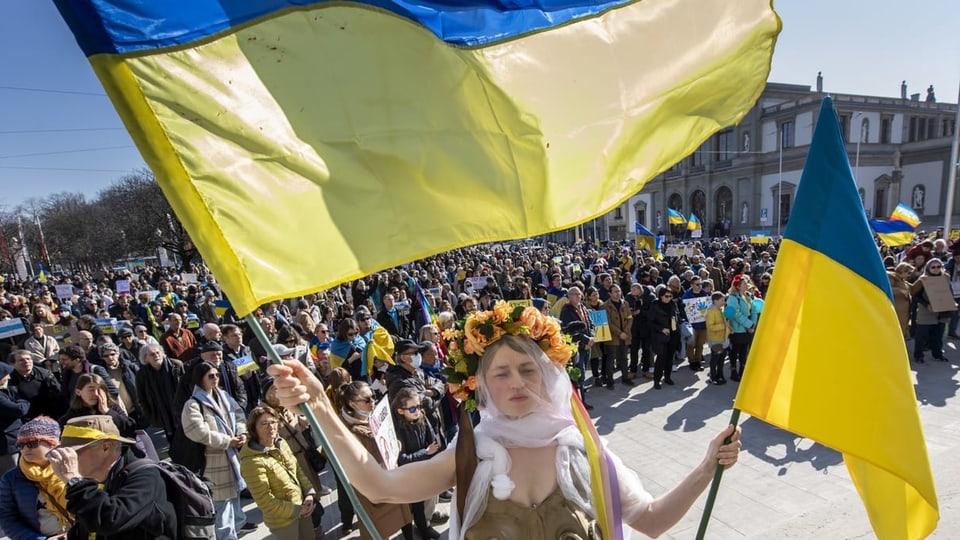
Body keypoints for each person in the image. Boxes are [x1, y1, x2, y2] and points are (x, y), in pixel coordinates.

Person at [267, 301, 741, 539]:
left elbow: (652, 521)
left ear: (549, 374)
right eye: (502, 372)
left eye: (528, 369)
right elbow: (379, 486)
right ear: (482, 386)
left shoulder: (584, 452)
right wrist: (322, 407)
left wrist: (706, 468)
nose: (517, 382)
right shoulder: (473, 454)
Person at [46, 415, 177, 539]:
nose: (69, 460)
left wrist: (74, 481)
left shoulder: (146, 476)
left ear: (106, 447)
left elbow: (109, 520)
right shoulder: (97, 478)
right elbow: (90, 523)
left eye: (74, 453)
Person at [181, 361, 253, 539]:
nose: (215, 379)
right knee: (221, 505)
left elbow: (238, 414)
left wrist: (241, 432)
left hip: (233, 458)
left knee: (234, 498)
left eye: (217, 375)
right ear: (200, 379)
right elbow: (198, 432)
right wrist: (227, 441)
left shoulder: (224, 396)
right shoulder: (193, 404)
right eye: (210, 376)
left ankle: (236, 529)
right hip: (212, 461)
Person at [333, 380, 413, 539]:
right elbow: (355, 466)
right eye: (367, 400)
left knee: (403, 514)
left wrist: (393, 446)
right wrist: (378, 465)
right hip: (373, 489)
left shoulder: (375, 417)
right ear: (352, 404)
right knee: (380, 526)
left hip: (391, 477)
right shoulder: (349, 433)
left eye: (374, 397)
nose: (373, 402)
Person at [239, 406, 317, 540]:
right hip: (284, 522)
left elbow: (297, 470)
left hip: (302, 509)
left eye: (273, 422)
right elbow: (265, 501)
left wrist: (309, 493)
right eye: (264, 424)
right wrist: (297, 510)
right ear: (253, 428)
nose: (271, 427)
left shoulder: (281, 443)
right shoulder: (251, 462)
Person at [0, 416, 73, 539]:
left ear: (52, 443)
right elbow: (7, 519)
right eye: (20, 445)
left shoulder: (71, 468)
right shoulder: (11, 478)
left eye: (32, 443)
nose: (25, 449)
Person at [392, 387, 442, 539]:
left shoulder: (421, 417)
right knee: (410, 507)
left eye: (419, 406)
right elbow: (402, 459)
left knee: (422, 505)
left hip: (424, 469)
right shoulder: (397, 430)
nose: (417, 411)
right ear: (401, 411)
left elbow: (433, 439)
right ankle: (413, 532)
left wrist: (433, 448)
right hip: (408, 475)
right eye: (412, 408)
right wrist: (425, 453)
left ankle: (423, 528)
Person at [58, 373, 136, 437]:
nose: (95, 394)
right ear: (78, 392)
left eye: (99, 389)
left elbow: (129, 428)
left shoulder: (111, 406)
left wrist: (107, 412)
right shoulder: (74, 413)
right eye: (91, 389)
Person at [723, 275, 758, 381]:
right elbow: (736, 314)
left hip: (748, 327)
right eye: (744, 284)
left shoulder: (748, 295)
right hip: (738, 329)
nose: (747, 285)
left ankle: (742, 371)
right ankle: (734, 371)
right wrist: (749, 325)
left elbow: (754, 310)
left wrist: (753, 324)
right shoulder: (732, 298)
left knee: (744, 351)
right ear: (738, 286)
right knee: (735, 351)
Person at [650, 287, 680, 390]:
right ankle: (657, 380)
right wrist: (661, 329)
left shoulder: (672, 304)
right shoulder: (655, 305)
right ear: (661, 296)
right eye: (666, 296)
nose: (668, 298)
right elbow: (650, 322)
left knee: (670, 357)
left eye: (670, 296)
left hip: (673, 334)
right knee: (661, 358)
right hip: (660, 335)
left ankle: (667, 377)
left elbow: (677, 317)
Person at [705, 292, 731, 385]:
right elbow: (710, 327)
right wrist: (724, 326)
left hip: (723, 339)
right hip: (716, 340)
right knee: (715, 359)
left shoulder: (720, 309)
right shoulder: (711, 311)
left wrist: (729, 330)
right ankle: (713, 376)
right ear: (715, 301)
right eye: (722, 300)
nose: (724, 302)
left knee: (721, 359)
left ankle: (720, 375)